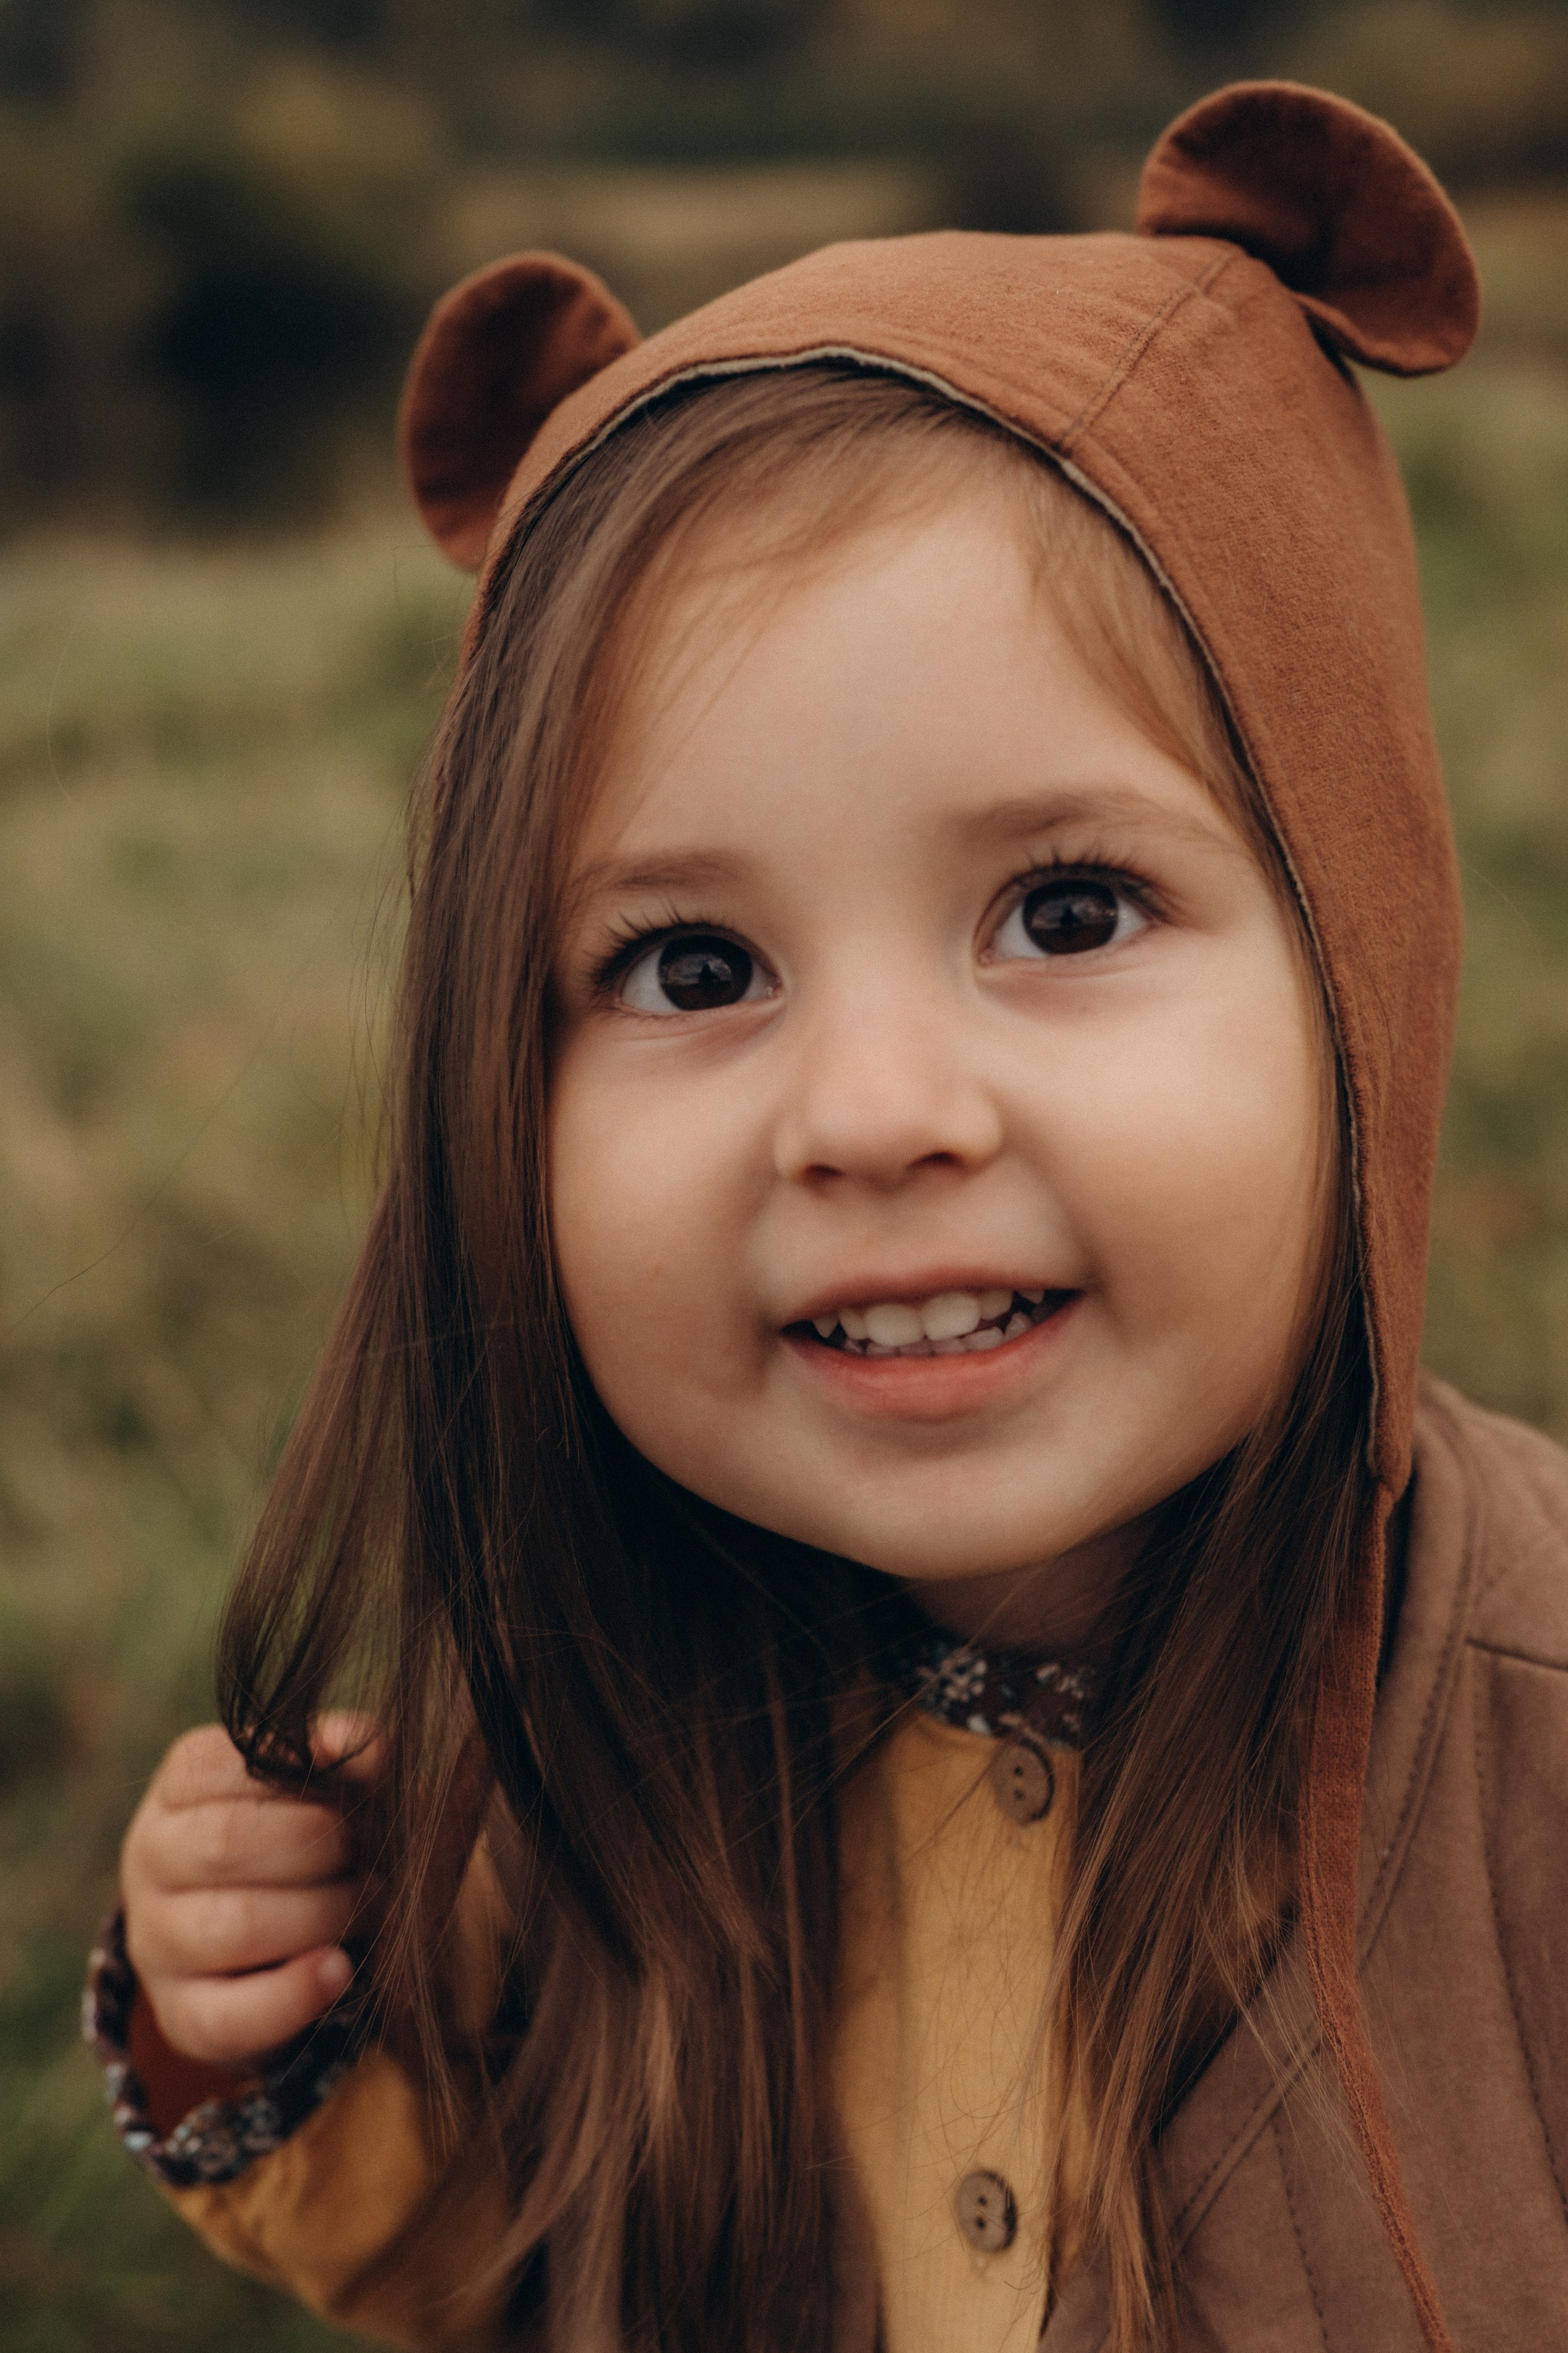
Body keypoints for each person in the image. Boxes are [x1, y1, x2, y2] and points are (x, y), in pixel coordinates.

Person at [88, 79, 1568, 2353]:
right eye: (695, 969)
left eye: (1066, 908)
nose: (871, 1117)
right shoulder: (567, 1752)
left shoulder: (1532, 1737)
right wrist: (258, 2012)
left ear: (1357, 950)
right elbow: (455, 2261)